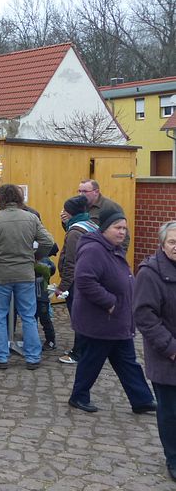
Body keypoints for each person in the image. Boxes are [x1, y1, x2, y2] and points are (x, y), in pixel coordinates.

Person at [68, 208, 156, 414]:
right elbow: (84, 280)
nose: (122, 232)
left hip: (117, 322)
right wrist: (110, 302)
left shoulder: (113, 248)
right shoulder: (94, 250)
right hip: (100, 321)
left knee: (128, 362)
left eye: (124, 228)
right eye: (117, 227)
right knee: (92, 361)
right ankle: (78, 396)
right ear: (105, 228)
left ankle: (141, 399)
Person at [0, 184, 54, 370]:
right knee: (28, 316)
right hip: (25, 273)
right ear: (19, 198)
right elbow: (48, 242)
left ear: (0, 199)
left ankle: (1, 357)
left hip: (0, 274)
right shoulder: (31, 218)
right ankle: (33, 357)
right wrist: (34, 257)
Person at [134, 221, 176, 482]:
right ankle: (173, 457)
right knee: (171, 411)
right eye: (172, 242)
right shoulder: (150, 273)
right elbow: (144, 315)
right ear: (162, 245)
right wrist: (171, 348)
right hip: (168, 356)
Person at [57, 195, 98, 365]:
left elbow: (71, 262)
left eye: (65, 210)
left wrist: (63, 286)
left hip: (77, 283)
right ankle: (88, 349)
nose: (62, 212)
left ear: (71, 212)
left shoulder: (75, 232)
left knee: (79, 318)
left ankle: (78, 352)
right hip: (90, 277)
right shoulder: (91, 225)